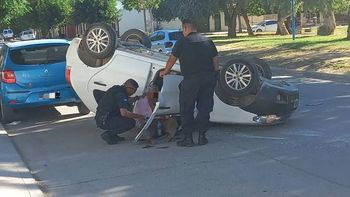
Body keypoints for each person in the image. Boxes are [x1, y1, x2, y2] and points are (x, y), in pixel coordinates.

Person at [160, 19, 219, 147]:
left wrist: (165, 71)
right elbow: (215, 59)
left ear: (185, 27)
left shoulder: (182, 42)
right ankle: (202, 137)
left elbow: (172, 59)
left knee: (186, 108)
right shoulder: (207, 41)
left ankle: (188, 138)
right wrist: (214, 74)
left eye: (182, 29)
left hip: (191, 80)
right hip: (208, 79)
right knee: (204, 108)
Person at [95, 79, 147, 145]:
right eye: (134, 90)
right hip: (105, 120)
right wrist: (140, 116)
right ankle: (108, 134)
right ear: (129, 88)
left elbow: (125, 101)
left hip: (102, 117)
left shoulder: (117, 90)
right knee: (131, 122)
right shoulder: (121, 94)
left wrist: (136, 98)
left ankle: (114, 135)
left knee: (125, 114)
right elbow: (124, 113)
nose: (134, 92)